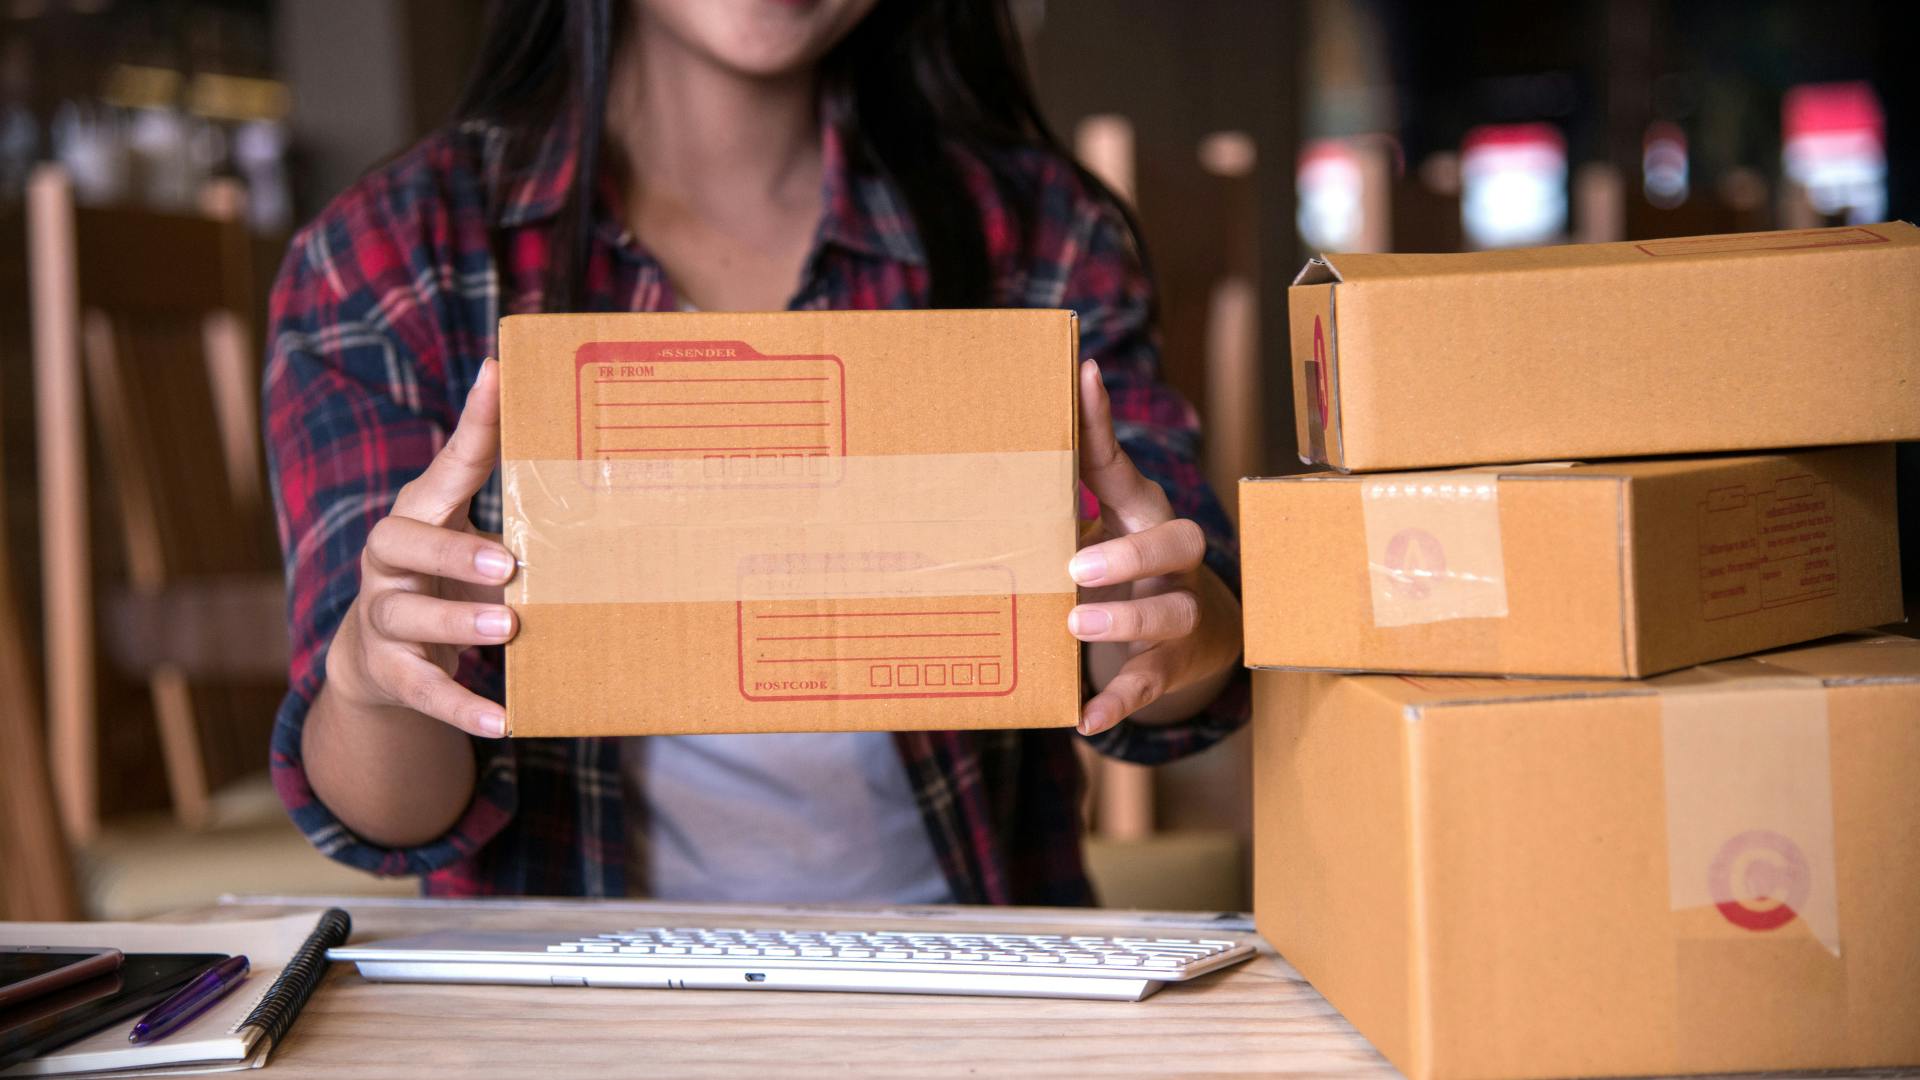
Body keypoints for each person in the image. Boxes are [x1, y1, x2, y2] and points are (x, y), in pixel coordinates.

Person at [266, 0, 1247, 904]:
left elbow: (1199, 658)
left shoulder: (1041, 232)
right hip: (568, 997)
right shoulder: (392, 250)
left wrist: (1163, 620)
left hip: (969, 969)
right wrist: (374, 672)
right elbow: (385, 815)